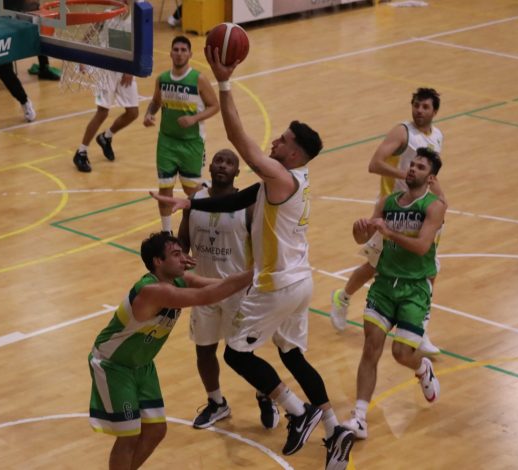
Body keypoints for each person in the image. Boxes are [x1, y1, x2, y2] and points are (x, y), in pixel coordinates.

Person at [150, 46, 355, 469]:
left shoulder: (279, 175)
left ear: (294, 154)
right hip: (300, 281)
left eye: (283, 140)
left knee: (236, 354)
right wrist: (187, 206)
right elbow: (238, 198)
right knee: (292, 355)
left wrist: (224, 83)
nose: (275, 141)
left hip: (276, 283)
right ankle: (335, 430)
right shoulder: (292, 178)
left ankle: (299, 413)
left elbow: (240, 140)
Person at [89, 231, 253, 470]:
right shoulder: (151, 291)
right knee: (128, 436)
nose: (183, 258)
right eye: (176, 254)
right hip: (113, 365)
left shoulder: (178, 280)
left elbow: (217, 285)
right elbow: (207, 296)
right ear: (158, 261)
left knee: (156, 430)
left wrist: (251, 281)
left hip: (142, 365)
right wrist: (259, 271)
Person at [329, 88, 444, 356]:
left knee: (427, 269)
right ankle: (342, 297)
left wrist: (441, 200)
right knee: (375, 264)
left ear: (434, 111)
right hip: (394, 209)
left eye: (425, 107)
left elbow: (433, 177)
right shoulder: (403, 132)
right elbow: (375, 163)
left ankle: (419, 328)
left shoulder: (437, 136)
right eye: (416, 105)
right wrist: (405, 173)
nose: (419, 110)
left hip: (422, 210)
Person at [341, 147, 446, 440]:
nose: (412, 169)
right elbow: (366, 238)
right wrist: (359, 228)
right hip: (385, 284)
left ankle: (422, 368)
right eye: (412, 164)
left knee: (401, 354)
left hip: (415, 288)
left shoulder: (434, 206)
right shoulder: (386, 202)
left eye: (420, 167)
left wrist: (390, 233)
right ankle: (359, 416)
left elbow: (423, 246)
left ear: (430, 177)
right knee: (371, 347)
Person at [176, 148, 269, 429]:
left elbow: (263, 250)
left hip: (237, 292)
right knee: (204, 351)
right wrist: (181, 260)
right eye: (219, 160)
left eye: (230, 163)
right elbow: (182, 241)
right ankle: (217, 403)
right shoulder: (196, 201)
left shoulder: (247, 206)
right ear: (211, 166)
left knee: (242, 354)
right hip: (203, 291)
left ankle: (266, 392)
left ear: (237, 172)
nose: (223, 166)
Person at [143, 35, 219, 234]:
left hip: (192, 143)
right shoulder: (162, 79)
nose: (179, 53)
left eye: (183, 50)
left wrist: (194, 119)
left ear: (190, 54)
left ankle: (202, 225)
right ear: (170, 53)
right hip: (166, 142)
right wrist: (149, 114)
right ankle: (167, 232)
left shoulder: (199, 79)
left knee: (190, 192)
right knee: (165, 190)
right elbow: (155, 102)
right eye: (176, 50)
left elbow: (215, 106)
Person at [72, 69, 139, 172]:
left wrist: (130, 69)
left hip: (126, 68)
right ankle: (81, 152)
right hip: (107, 70)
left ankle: (106, 137)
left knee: (133, 113)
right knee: (102, 112)